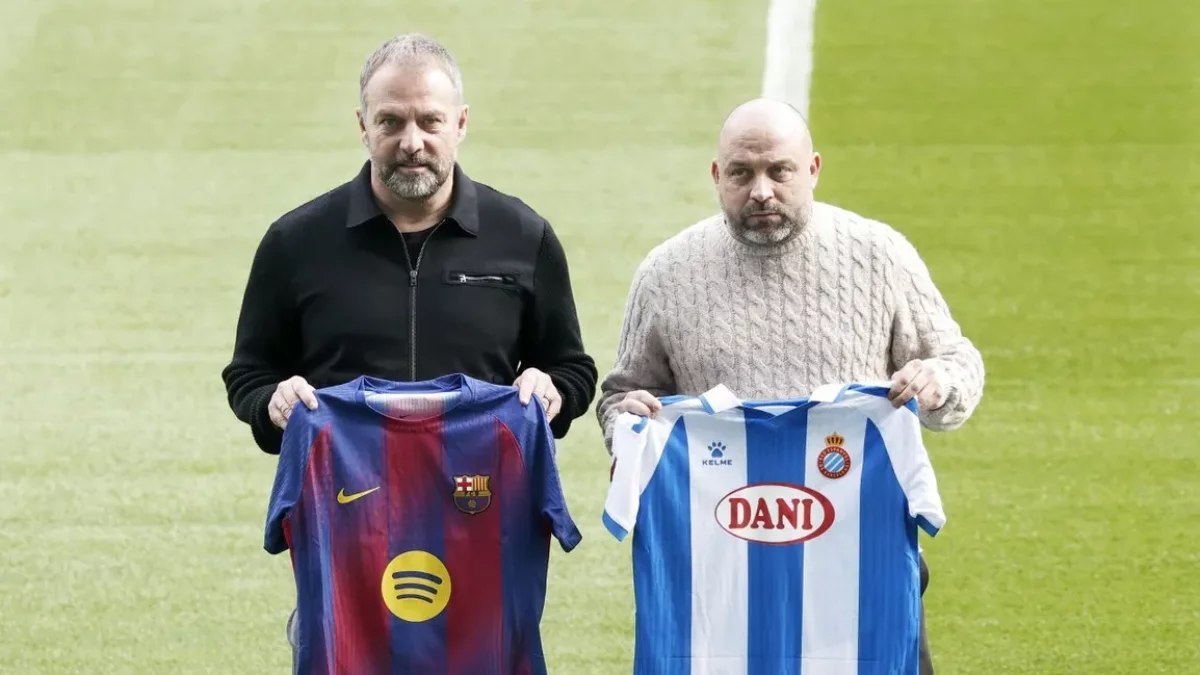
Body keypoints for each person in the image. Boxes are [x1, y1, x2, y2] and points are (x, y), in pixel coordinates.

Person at [220, 32, 597, 655]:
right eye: (390, 121)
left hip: (481, 533)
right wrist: (273, 403)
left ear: (462, 125)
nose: (412, 142)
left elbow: (571, 367)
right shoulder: (295, 243)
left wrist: (551, 389)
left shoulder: (522, 237)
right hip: (349, 535)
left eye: (430, 121)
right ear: (362, 126)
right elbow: (249, 374)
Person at [595, 98, 985, 675]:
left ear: (813, 170)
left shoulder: (879, 256)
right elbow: (620, 395)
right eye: (741, 173)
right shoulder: (667, 273)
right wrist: (624, 420)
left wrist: (937, 382)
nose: (761, 192)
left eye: (779, 171)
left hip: (861, 579)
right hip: (722, 597)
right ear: (715, 175)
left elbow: (958, 361)